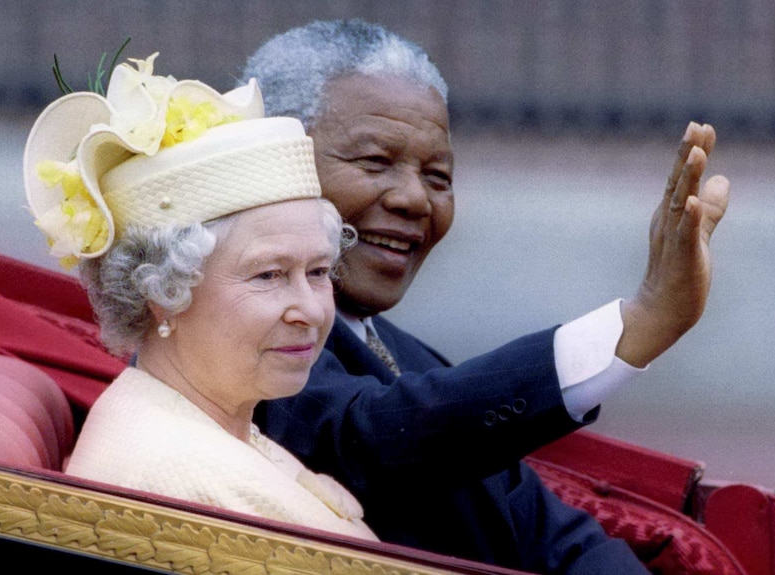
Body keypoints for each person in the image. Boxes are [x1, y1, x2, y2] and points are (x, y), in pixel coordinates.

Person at [239, 19, 730, 572]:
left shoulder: (412, 360)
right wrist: (641, 324)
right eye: (375, 161)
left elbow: (559, 541)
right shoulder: (226, 333)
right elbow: (376, 438)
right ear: (269, 158)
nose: (414, 200)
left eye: (438, 176)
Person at [23, 53, 376, 541]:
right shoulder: (193, 485)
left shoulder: (203, 420)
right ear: (161, 292)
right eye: (269, 275)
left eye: (318, 271)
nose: (312, 310)